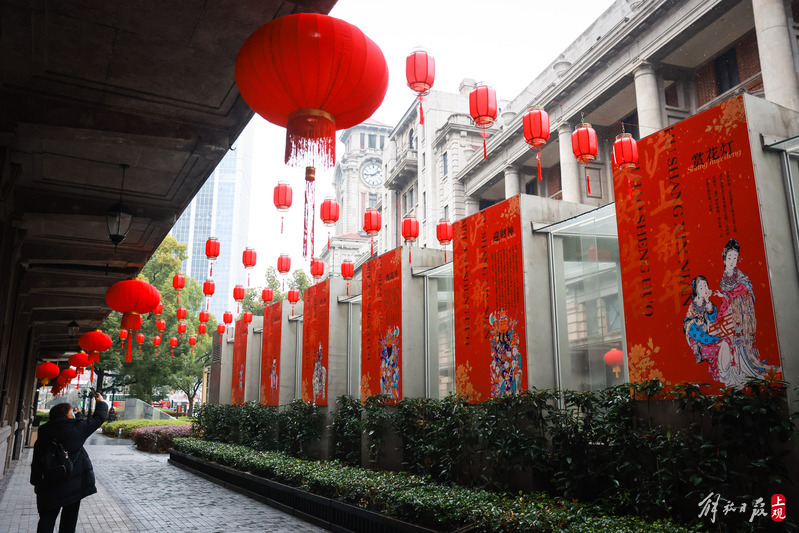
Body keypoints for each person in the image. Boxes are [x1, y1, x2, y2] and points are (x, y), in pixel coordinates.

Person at [30, 393, 108, 533]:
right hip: (72, 481)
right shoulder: (77, 428)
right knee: (69, 520)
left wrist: (35, 481)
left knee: (47, 518)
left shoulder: (44, 430)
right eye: (71, 411)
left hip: (48, 481)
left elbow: (37, 459)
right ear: (65, 414)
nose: (73, 413)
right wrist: (100, 402)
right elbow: (98, 418)